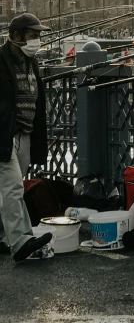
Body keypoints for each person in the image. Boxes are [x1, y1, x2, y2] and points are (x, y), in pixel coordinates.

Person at [0, 13, 54, 262]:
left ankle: (3, 236)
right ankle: (21, 241)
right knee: (13, 187)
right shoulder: (1, 59)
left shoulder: (31, 62)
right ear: (16, 36)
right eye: (33, 35)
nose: (38, 40)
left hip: (25, 133)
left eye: (39, 35)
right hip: (5, 132)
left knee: (8, 189)